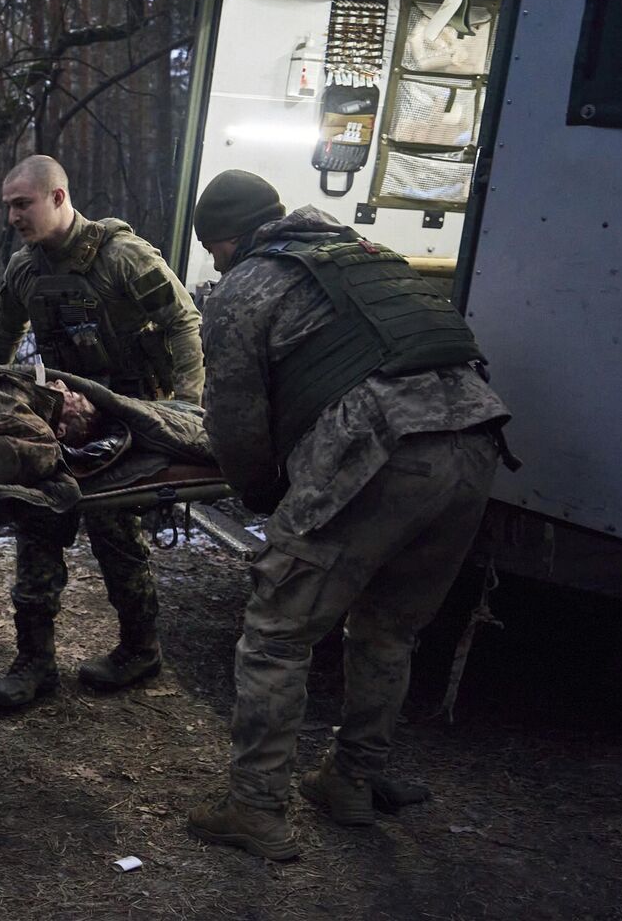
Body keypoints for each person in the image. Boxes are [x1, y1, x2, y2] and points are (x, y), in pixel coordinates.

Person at [183, 169, 511, 861]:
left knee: (277, 632)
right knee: (389, 627)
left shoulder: (244, 286)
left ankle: (256, 809)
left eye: (213, 249)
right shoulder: (370, 254)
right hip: (476, 441)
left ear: (229, 238)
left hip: (379, 452)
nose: (215, 262)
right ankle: (352, 781)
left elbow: (236, 420)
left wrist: (258, 494)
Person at [0, 155, 204, 707]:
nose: (12, 216)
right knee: (38, 516)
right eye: (8, 205)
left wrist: (185, 409)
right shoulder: (24, 271)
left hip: (131, 414)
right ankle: (34, 662)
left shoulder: (124, 257)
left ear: (58, 198)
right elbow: (3, 338)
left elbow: (183, 323)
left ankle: (139, 648)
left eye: (22, 203)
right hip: (66, 413)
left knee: (114, 533)